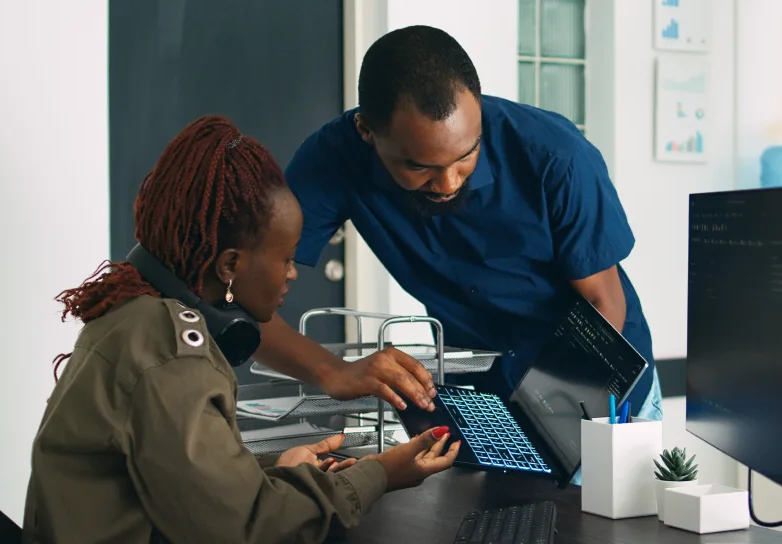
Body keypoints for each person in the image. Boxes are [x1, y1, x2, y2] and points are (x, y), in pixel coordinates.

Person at [23, 116, 460, 544]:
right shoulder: (172, 357)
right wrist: (381, 473)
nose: (292, 274)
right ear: (230, 265)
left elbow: (181, 486)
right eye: (286, 258)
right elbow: (245, 528)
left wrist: (275, 476)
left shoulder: (135, 316)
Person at [265, 25, 664, 482]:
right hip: (484, 397)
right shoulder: (333, 159)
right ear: (367, 132)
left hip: (595, 387)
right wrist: (330, 371)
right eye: (419, 167)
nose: (449, 183)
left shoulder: (556, 156)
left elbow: (603, 303)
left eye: (466, 155)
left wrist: (551, 433)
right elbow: (247, 295)